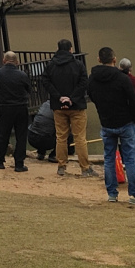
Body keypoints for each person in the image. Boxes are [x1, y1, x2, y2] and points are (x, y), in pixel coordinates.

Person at [88, 46, 135, 205]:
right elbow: (134, 102)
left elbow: (92, 96)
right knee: (130, 159)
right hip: (125, 122)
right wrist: (133, 118)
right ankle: (134, 194)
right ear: (114, 60)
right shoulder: (123, 79)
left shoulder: (92, 79)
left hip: (107, 122)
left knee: (108, 158)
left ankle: (112, 193)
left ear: (99, 60)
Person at [46, 39, 93, 177]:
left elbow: (46, 81)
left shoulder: (51, 65)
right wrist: (71, 98)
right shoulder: (78, 65)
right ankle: (85, 168)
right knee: (80, 138)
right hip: (76, 105)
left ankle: (61, 166)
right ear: (70, 49)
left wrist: (58, 96)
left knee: (61, 137)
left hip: (58, 106)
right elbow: (84, 82)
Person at [0, 51, 31, 171]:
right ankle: (19, 164)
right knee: (21, 136)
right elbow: (28, 89)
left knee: (3, 135)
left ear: (4, 60)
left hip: (5, 107)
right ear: (17, 62)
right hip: (21, 107)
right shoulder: (22, 75)